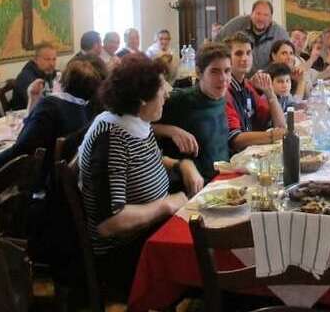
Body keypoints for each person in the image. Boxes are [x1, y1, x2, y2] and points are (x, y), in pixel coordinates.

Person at [78, 55, 201, 298]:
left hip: (151, 233)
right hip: (126, 254)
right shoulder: (111, 137)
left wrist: (183, 165)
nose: (167, 94)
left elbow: (148, 162)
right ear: (141, 99)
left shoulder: (134, 122)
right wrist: (166, 204)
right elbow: (109, 223)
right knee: (212, 259)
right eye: (161, 90)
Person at [0, 58, 104, 186]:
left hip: (38, 180)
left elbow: (22, 148)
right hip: (67, 180)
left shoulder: (51, 106)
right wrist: (33, 100)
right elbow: (31, 128)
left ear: (63, 80)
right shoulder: (89, 109)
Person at [153, 43, 232, 181]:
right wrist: (171, 130)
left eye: (227, 71)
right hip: (194, 190)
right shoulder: (180, 100)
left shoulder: (222, 97)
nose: (223, 78)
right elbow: (141, 127)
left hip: (222, 183)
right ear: (198, 72)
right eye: (214, 71)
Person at [223, 33, 286, 152]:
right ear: (227, 58)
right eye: (238, 53)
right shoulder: (224, 90)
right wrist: (272, 136)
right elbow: (235, 140)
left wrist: (270, 94)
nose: (245, 58)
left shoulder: (247, 86)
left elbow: (280, 125)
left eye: (248, 53)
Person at [216, 0, 289, 73]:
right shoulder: (236, 25)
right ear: (251, 14)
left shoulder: (280, 34)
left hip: (266, 79)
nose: (261, 19)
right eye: (258, 14)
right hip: (237, 76)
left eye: (266, 15)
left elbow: (291, 55)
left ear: (271, 18)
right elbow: (217, 42)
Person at [11, 42, 58, 110]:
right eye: (47, 59)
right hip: (25, 117)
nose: (52, 64)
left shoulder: (49, 72)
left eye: (54, 59)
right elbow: (39, 105)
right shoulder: (26, 77)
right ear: (35, 60)